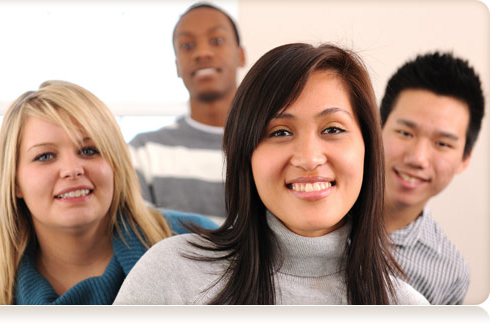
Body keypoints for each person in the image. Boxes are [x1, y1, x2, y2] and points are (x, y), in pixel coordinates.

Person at [114, 43, 429, 305]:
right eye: (279, 132)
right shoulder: (172, 274)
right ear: (245, 154)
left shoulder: (407, 308)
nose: (309, 158)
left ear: (367, 150)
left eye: (333, 129)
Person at [0, 80, 216, 305]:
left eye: (89, 150)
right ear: (15, 183)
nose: (72, 170)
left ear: (116, 164)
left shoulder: (201, 244)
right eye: (45, 156)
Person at [380, 52, 485, 304]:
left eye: (442, 143)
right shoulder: (313, 202)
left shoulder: (450, 274)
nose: (418, 158)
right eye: (405, 132)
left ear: (465, 158)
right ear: (376, 127)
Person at [128, 2, 246, 223]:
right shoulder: (143, 153)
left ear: (240, 55)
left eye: (217, 41)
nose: (202, 53)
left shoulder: (273, 142)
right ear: (177, 66)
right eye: (187, 45)